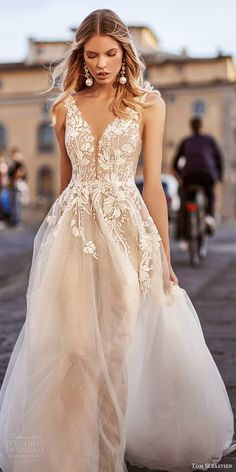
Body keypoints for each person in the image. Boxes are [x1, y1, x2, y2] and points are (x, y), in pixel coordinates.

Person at [0, 9, 235, 472]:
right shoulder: (64, 106)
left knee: (119, 341)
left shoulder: (149, 104)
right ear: (81, 58)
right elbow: (67, 185)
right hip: (73, 234)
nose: (101, 63)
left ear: (125, 53)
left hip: (127, 229)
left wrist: (163, 254)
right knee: (73, 346)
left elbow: (152, 185)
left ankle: (111, 447)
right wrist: (51, 248)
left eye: (110, 53)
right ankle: (77, 449)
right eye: (92, 55)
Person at [172, 115, 224, 234]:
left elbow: (175, 162)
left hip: (189, 176)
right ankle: (209, 217)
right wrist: (219, 175)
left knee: (186, 199)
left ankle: (185, 229)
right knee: (210, 194)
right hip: (207, 174)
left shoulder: (185, 141)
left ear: (191, 127)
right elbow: (219, 158)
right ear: (202, 126)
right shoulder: (209, 140)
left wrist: (180, 176)